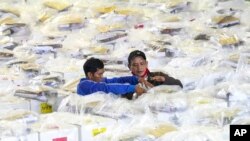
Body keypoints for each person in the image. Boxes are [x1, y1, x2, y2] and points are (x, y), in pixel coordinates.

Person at [77, 57, 148, 98]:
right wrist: (133, 88)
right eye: (99, 74)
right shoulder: (84, 85)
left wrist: (135, 79)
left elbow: (116, 80)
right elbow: (106, 88)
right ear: (90, 75)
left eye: (102, 73)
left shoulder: (96, 81)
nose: (102, 76)